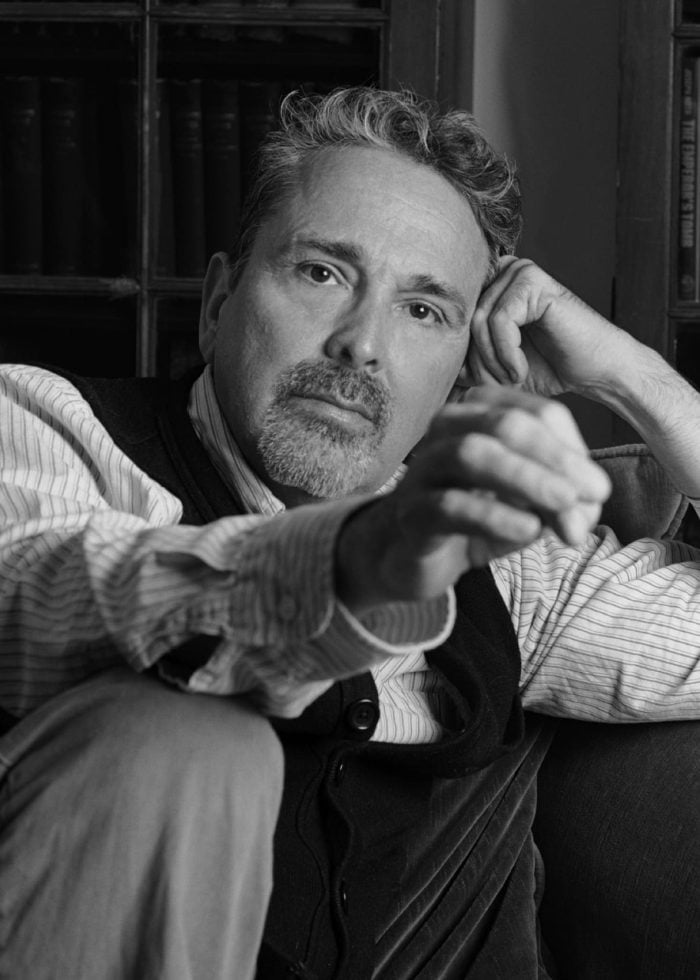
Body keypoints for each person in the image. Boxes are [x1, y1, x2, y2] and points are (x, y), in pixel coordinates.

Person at [0, 85, 699, 979]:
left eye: (424, 310)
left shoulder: (506, 563)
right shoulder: (51, 425)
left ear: (459, 372)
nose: (361, 346)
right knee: (191, 743)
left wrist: (642, 381)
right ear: (218, 302)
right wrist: (360, 560)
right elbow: (50, 592)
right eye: (322, 272)